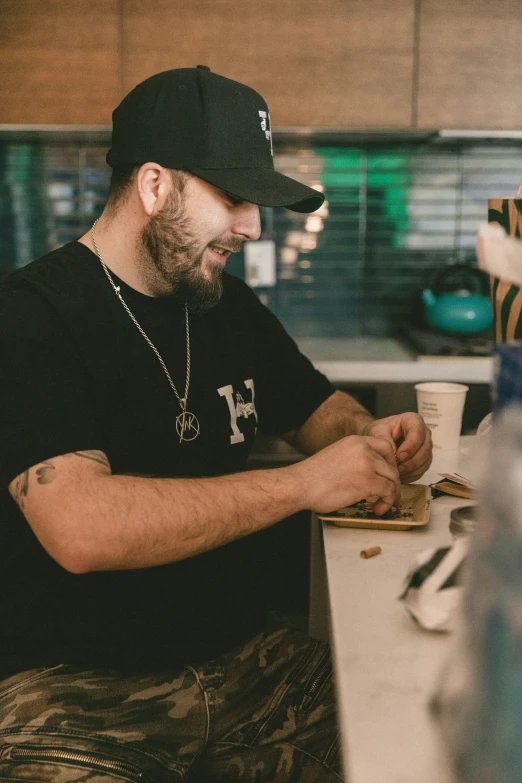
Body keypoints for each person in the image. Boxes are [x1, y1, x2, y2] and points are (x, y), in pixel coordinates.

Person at [0, 66, 432, 782]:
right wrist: (301, 485)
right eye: (234, 197)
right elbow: (80, 526)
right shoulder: (31, 316)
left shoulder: (221, 304)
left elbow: (317, 409)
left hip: (244, 666)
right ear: (154, 185)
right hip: (68, 691)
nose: (255, 226)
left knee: (415, 735)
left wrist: (370, 436)